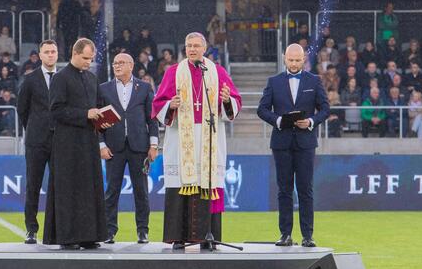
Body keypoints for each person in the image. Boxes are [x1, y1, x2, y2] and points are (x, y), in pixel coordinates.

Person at [152, 32, 242, 249]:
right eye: (188, 46)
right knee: (180, 185)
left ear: (204, 48)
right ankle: (178, 237)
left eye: (196, 46)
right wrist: (169, 106)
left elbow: (235, 101)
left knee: (207, 184)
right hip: (180, 137)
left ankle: (207, 238)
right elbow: (158, 104)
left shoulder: (217, 72)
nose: (191, 49)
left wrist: (226, 100)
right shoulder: (173, 72)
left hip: (209, 138)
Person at [257, 43, 329, 247]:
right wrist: (278, 121)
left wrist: (311, 122)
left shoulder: (314, 81)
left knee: (306, 189)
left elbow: (325, 108)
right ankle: (285, 234)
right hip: (281, 142)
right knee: (284, 190)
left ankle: (308, 236)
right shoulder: (274, 81)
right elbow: (262, 110)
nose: (295, 63)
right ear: (284, 58)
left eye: (298, 60)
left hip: (306, 143)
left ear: (304, 58)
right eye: (291, 60)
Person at [44, 38, 110, 250]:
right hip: (67, 144)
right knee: (69, 190)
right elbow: (56, 110)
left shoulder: (92, 78)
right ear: (74, 53)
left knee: (90, 189)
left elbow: (99, 106)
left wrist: (104, 119)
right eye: (85, 58)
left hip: (89, 142)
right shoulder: (61, 78)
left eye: (90, 59)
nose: (88, 63)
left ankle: (90, 235)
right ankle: (68, 237)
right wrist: (85, 114)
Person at [98, 53, 159, 244]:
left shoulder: (145, 87)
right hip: (113, 148)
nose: (117, 66)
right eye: (115, 63)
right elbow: (97, 120)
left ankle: (143, 231)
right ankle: (109, 231)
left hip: (139, 147)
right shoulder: (103, 89)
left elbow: (152, 118)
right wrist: (101, 145)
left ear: (131, 66)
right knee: (111, 191)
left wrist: (154, 144)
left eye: (121, 63)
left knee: (141, 191)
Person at [17, 40, 58, 244]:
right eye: (47, 52)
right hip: (36, 141)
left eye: (53, 51)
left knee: (59, 185)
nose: (50, 55)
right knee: (33, 184)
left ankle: (58, 228)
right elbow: (22, 109)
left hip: (60, 141)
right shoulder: (30, 79)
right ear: (40, 55)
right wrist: (33, 128)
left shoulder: (64, 78)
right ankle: (31, 229)